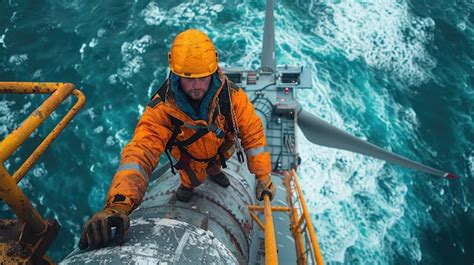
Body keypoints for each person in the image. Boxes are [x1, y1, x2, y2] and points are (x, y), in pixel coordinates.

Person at [79, 29, 276, 249]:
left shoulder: (232, 98)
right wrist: (120, 203)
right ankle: (189, 186)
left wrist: (262, 176)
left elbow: (253, 134)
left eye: (204, 77)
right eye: (189, 79)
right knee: (190, 180)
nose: (198, 86)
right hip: (188, 158)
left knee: (215, 166)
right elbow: (142, 150)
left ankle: (215, 171)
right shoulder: (162, 108)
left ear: (214, 70)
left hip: (220, 149)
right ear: (175, 74)